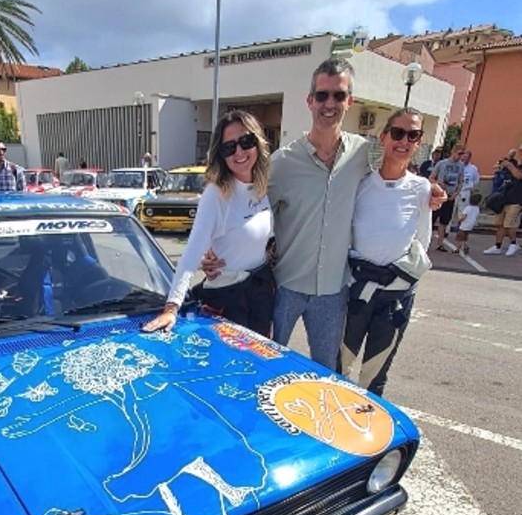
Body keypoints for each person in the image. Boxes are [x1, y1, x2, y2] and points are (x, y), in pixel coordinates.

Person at [201, 59, 446, 370]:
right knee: (262, 365)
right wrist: (211, 247)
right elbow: (241, 202)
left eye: (338, 95)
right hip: (286, 286)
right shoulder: (283, 162)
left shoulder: (361, 153)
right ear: (310, 101)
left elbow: (391, 175)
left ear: (349, 101)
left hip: (333, 291)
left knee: (327, 373)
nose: (329, 103)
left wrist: (427, 188)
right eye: (322, 95)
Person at [142, 110, 274, 336]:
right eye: (229, 147)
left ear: (257, 142)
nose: (239, 152)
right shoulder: (216, 194)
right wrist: (172, 307)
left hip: (261, 294)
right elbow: (191, 254)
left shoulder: (265, 185)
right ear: (220, 155)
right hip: (228, 299)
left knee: (258, 366)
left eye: (246, 141)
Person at [338, 108, 431, 396]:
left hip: (395, 296)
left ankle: (367, 435)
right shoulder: (361, 184)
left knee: (375, 375)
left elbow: (422, 242)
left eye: (413, 135)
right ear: (384, 137)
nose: (404, 141)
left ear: (419, 142)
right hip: (357, 291)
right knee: (338, 368)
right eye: (398, 133)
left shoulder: (422, 188)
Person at [483, 144, 522, 257]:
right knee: (499, 223)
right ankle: (497, 246)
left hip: (517, 198)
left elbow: (519, 176)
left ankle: (513, 244)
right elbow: (496, 167)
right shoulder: (514, 162)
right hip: (504, 197)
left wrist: (509, 165)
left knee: (509, 224)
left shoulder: (514, 165)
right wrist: (505, 163)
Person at [429, 143, 464, 251]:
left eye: (462, 154)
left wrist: (456, 193)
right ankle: (425, 242)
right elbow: (431, 178)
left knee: (444, 221)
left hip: (450, 196)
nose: (460, 156)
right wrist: (439, 184)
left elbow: (460, 181)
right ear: (453, 152)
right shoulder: (442, 163)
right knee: (432, 219)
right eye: (459, 154)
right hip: (439, 195)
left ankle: (440, 244)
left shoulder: (461, 165)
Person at [454, 190, 482, 256]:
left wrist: (459, 220)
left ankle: (458, 248)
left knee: (459, 237)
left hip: (464, 224)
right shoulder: (477, 208)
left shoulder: (468, 208)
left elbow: (464, 216)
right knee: (465, 237)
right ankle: (464, 246)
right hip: (470, 225)